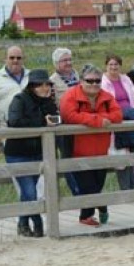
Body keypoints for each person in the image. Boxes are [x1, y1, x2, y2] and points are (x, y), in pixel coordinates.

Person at [60, 65, 123, 226]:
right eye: (90, 81)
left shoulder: (107, 97)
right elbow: (69, 115)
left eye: (97, 81)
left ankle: (98, 206)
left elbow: (118, 115)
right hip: (78, 150)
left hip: (101, 150)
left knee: (97, 184)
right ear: (81, 81)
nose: (94, 84)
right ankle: (88, 215)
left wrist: (94, 118)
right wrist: (97, 120)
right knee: (86, 185)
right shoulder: (70, 95)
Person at [5, 70, 59, 237]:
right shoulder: (19, 100)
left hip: (38, 151)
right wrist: (42, 122)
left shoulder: (49, 102)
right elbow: (14, 122)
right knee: (29, 191)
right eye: (39, 85)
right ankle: (37, 222)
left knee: (30, 191)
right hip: (18, 152)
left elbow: (56, 118)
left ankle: (22, 223)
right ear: (32, 86)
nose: (44, 88)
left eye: (47, 84)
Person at [101, 54, 134, 192]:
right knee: (121, 158)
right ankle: (126, 190)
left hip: (131, 120)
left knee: (133, 153)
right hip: (116, 122)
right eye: (110, 64)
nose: (113, 67)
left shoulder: (126, 79)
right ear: (106, 66)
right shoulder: (103, 82)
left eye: (116, 64)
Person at [49, 48, 81, 196]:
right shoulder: (52, 82)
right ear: (56, 63)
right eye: (64, 60)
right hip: (64, 126)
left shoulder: (79, 77)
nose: (68, 63)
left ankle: (87, 192)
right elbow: (52, 105)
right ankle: (77, 191)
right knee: (67, 159)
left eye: (69, 59)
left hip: (81, 124)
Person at [0, 46, 29, 129]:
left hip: (30, 128)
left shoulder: (31, 76)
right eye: (12, 58)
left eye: (19, 58)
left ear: (23, 59)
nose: (15, 60)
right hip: (6, 129)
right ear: (5, 59)